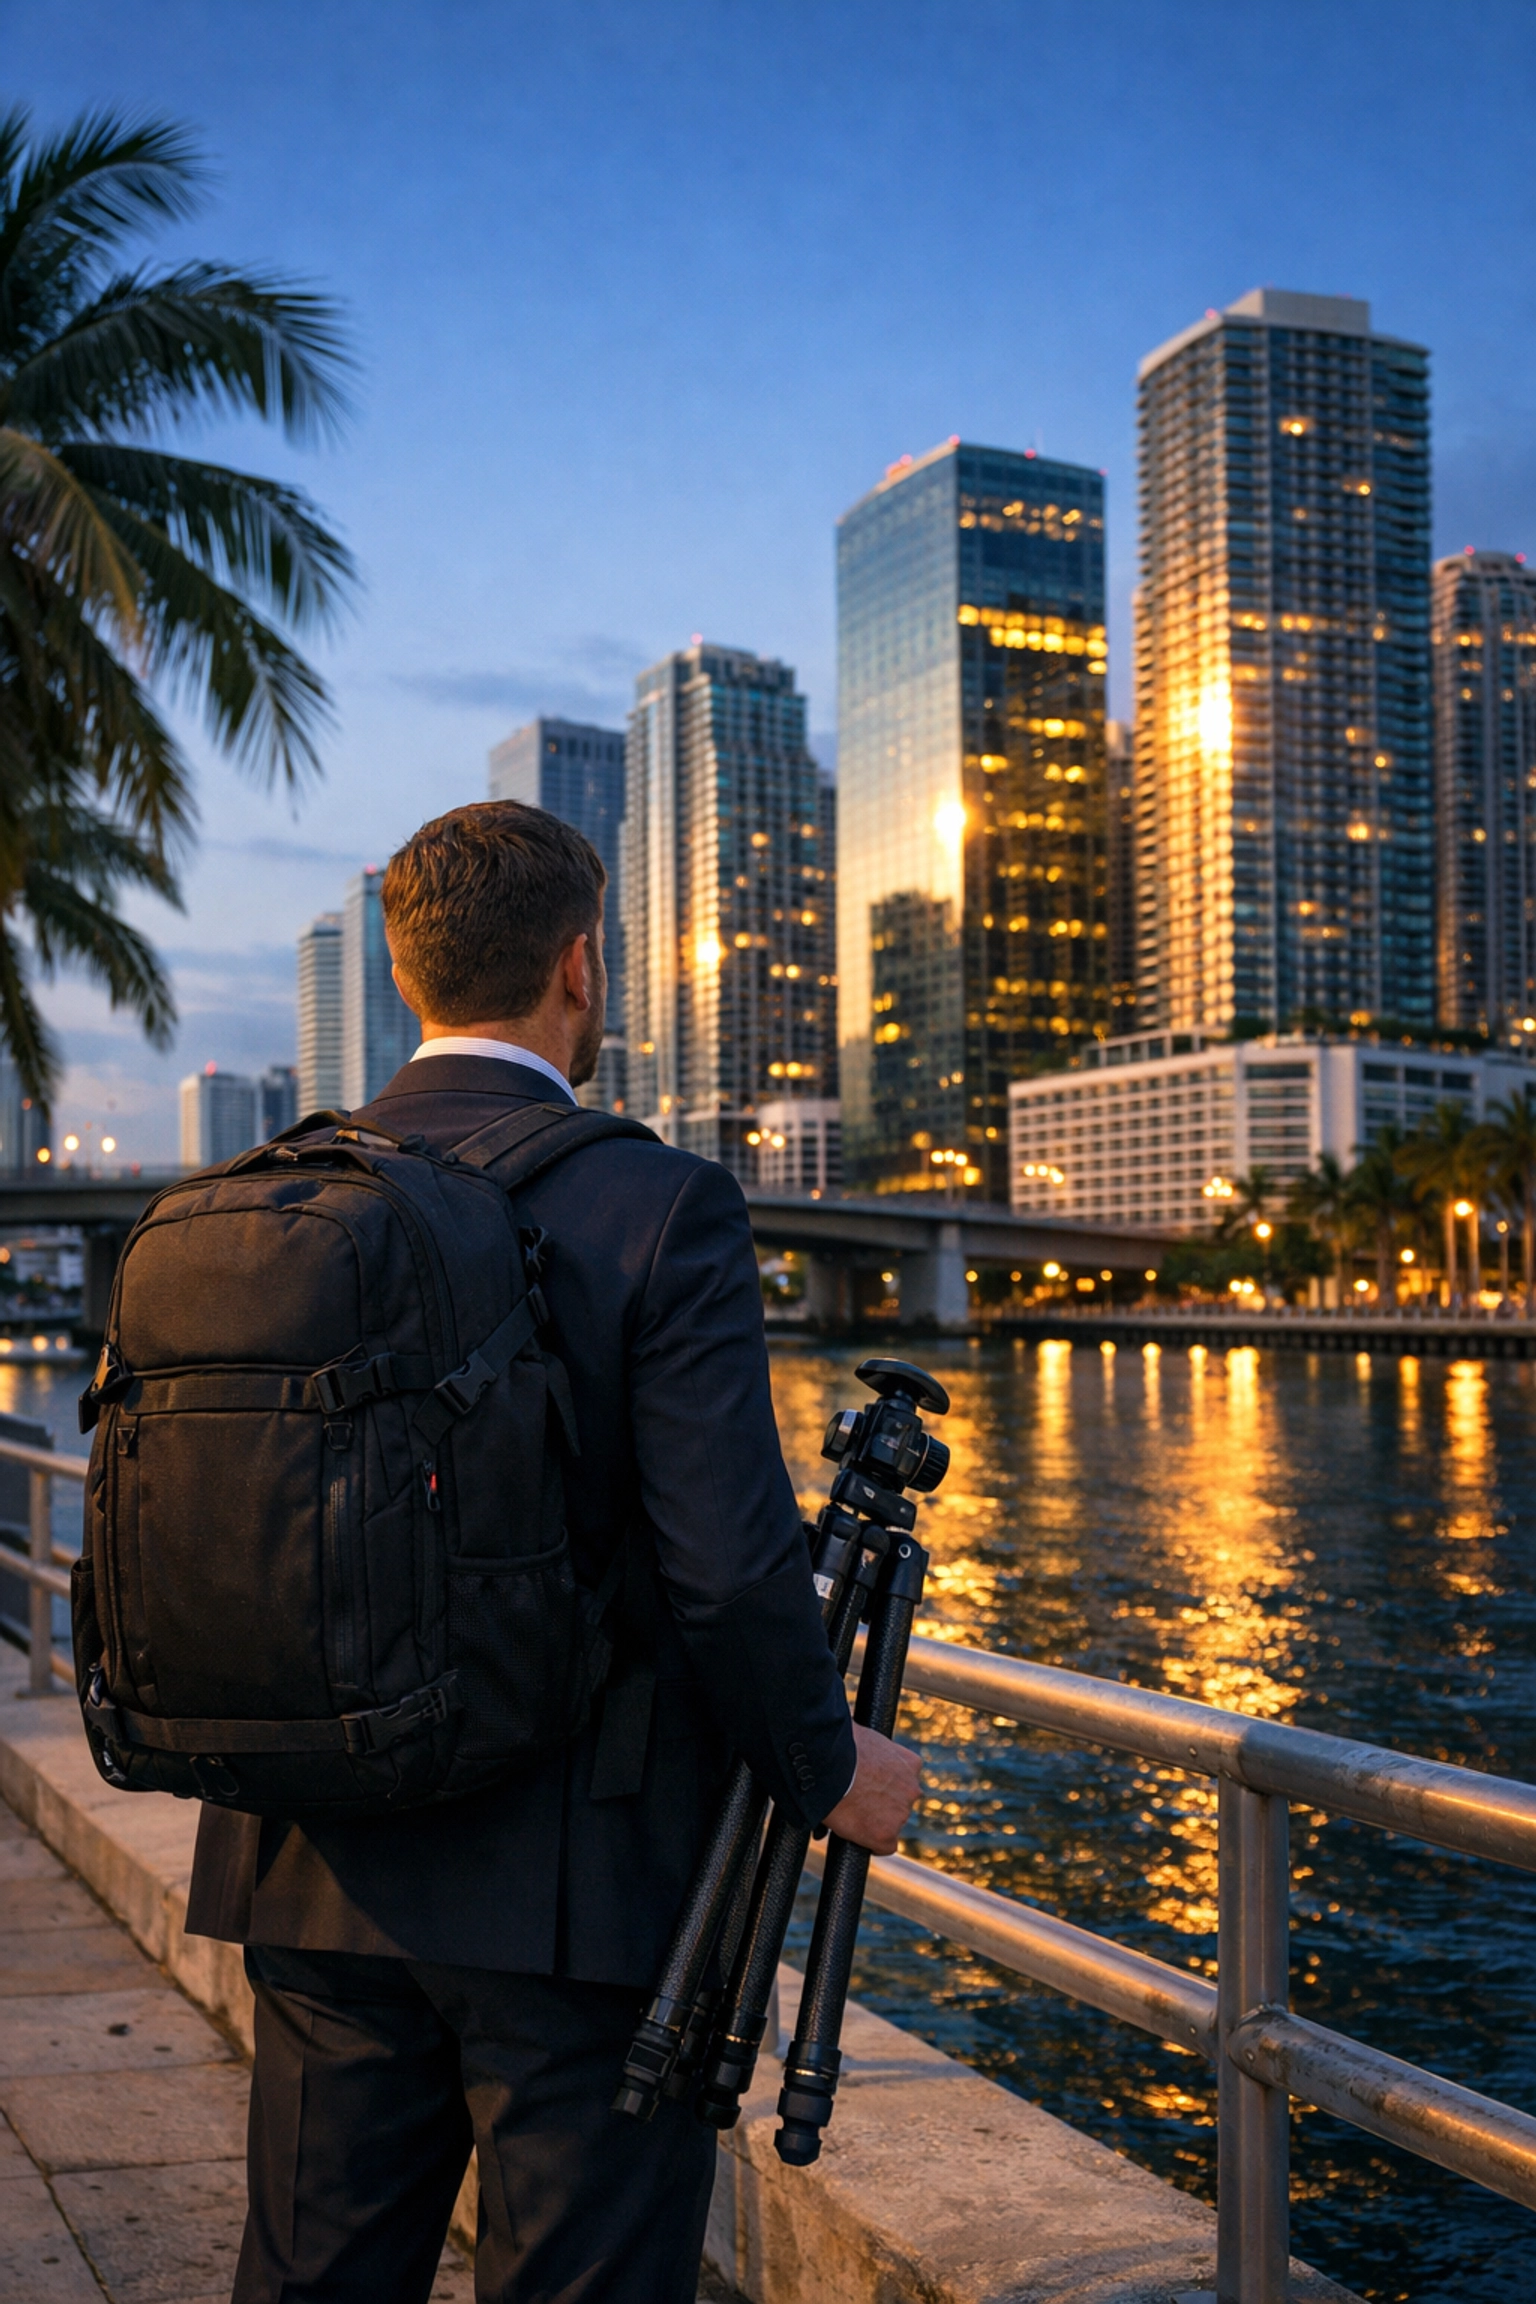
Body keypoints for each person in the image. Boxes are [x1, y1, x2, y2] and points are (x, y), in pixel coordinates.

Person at [186, 799, 923, 2304]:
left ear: (407, 978)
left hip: (310, 1862)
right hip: (579, 1901)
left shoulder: (261, 1194)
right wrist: (830, 1765)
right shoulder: (659, 1203)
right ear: (580, 967)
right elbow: (725, 1569)